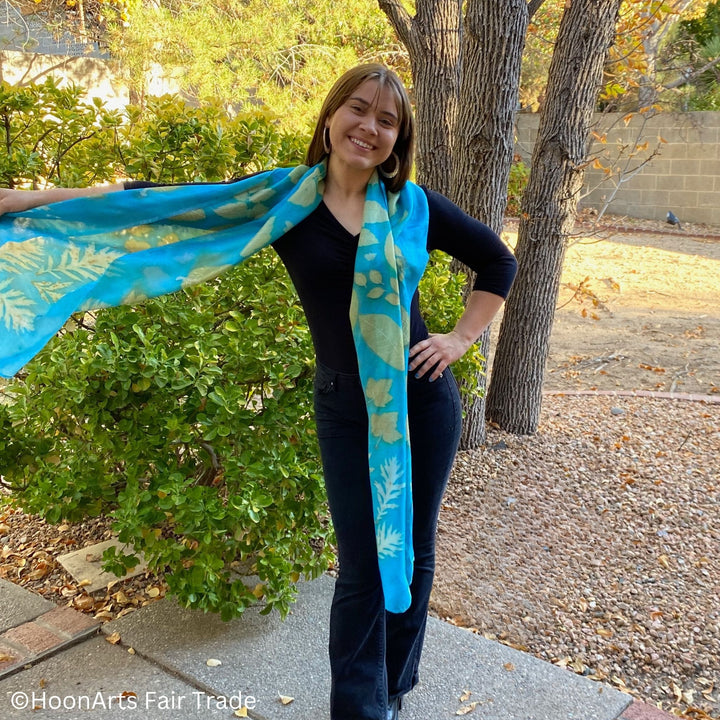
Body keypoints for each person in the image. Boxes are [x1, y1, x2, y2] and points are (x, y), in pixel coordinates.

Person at [0, 64, 517, 720]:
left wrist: (459, 338)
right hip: (344, 405)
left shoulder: (414, 206)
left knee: (413, 547)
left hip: (422, 402)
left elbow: (499, 260)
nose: (370, 127)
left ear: (399, 137)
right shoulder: (284, 202)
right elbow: (159, 202)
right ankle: (360, 709)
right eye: (359, 110)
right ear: (330, 118)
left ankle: (393, 686)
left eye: (387, 120)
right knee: (362, 564)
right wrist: (25, 203)